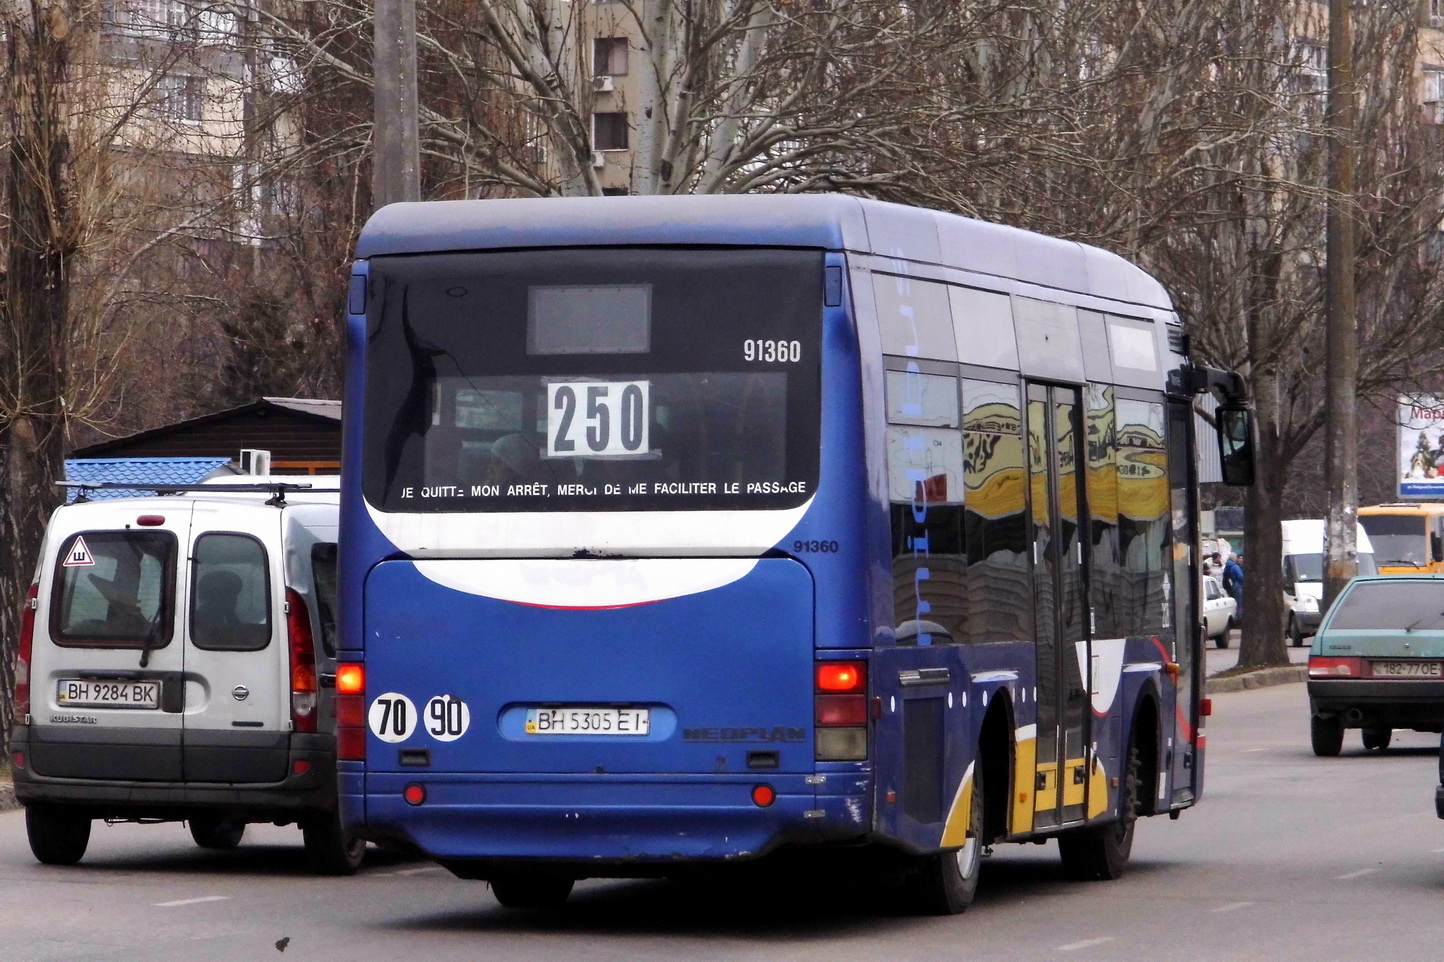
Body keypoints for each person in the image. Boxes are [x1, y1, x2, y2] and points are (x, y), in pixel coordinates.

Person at [1221, 552, 1244, 618]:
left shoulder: (1228, 566)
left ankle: (1237, 617)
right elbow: (1240, 576)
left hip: (1233, 585)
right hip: (1238, 586)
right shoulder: (1235, 567)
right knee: (1240, 604)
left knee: (1237, 603)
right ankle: (1240, 618)